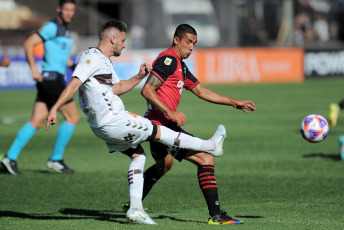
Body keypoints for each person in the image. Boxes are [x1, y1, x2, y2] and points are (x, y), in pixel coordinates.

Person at [45, 20, 227, 225]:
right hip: (114, 120)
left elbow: (117, 88)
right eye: (122, 40)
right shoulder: (92, 58)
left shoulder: (104, 62)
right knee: (158, 131)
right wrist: (54, 107)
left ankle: (135, 209)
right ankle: (211, 146)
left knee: (139, 156)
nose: (124, 44)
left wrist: (139, 76)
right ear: (112, 38)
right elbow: (74, 82)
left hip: (101, 127)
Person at [122, 24, 256, 225]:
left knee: (163, 165)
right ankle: (216, 215)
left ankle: (134, 203)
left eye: (194, 43)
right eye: (188, 42)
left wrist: (233, 102)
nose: (192, 47)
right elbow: (147, 90)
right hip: (162, 125)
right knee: (205, 158)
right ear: (176, 40)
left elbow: (202, 91)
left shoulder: (181, 66)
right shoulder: (167, 60)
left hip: (158, 125)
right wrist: (170, 111)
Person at [1, 0, 79, 175]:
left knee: (36, 121)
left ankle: (9, 158)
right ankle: (56, 159)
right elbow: (29, 43)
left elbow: (62, 58)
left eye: (71, 10)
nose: (68, 13)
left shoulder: (65, 30)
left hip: (52, 79)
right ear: (59, 9)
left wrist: (76, 68)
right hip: (51, 80)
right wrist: (33, 70)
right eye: (66, 9)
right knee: (72, 117)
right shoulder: (52, 26)